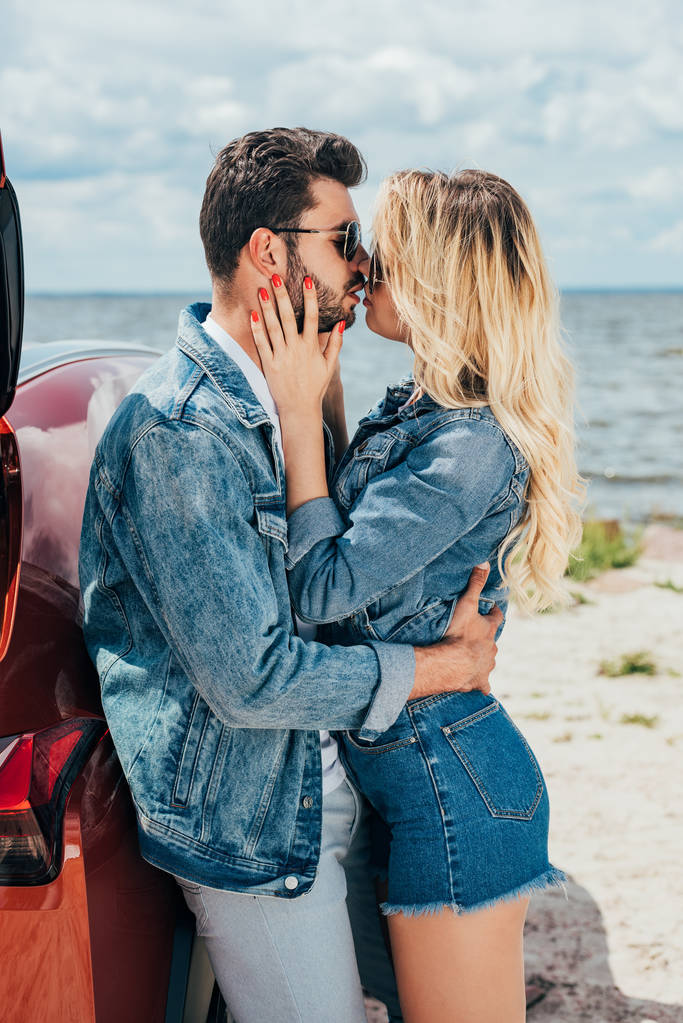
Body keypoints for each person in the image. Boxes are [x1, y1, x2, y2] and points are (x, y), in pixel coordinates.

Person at [78, 131, 502, 1023]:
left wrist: (320, 404)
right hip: (257, 829)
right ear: (268, 252)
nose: (363, 265)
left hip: (326, 789)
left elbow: (331, 585)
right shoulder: (182, 433)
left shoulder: (278, 392)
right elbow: (254, 680)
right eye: (343, 240)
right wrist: (442, 669)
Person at [249, 167, 584, 1023]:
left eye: (384, 264)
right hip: (405, 770)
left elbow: (322, 590)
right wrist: (317, 382)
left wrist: (296, 418)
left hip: (449, 779)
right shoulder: (419, 412)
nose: (361, 273)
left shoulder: (466, 447)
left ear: (441, 284)